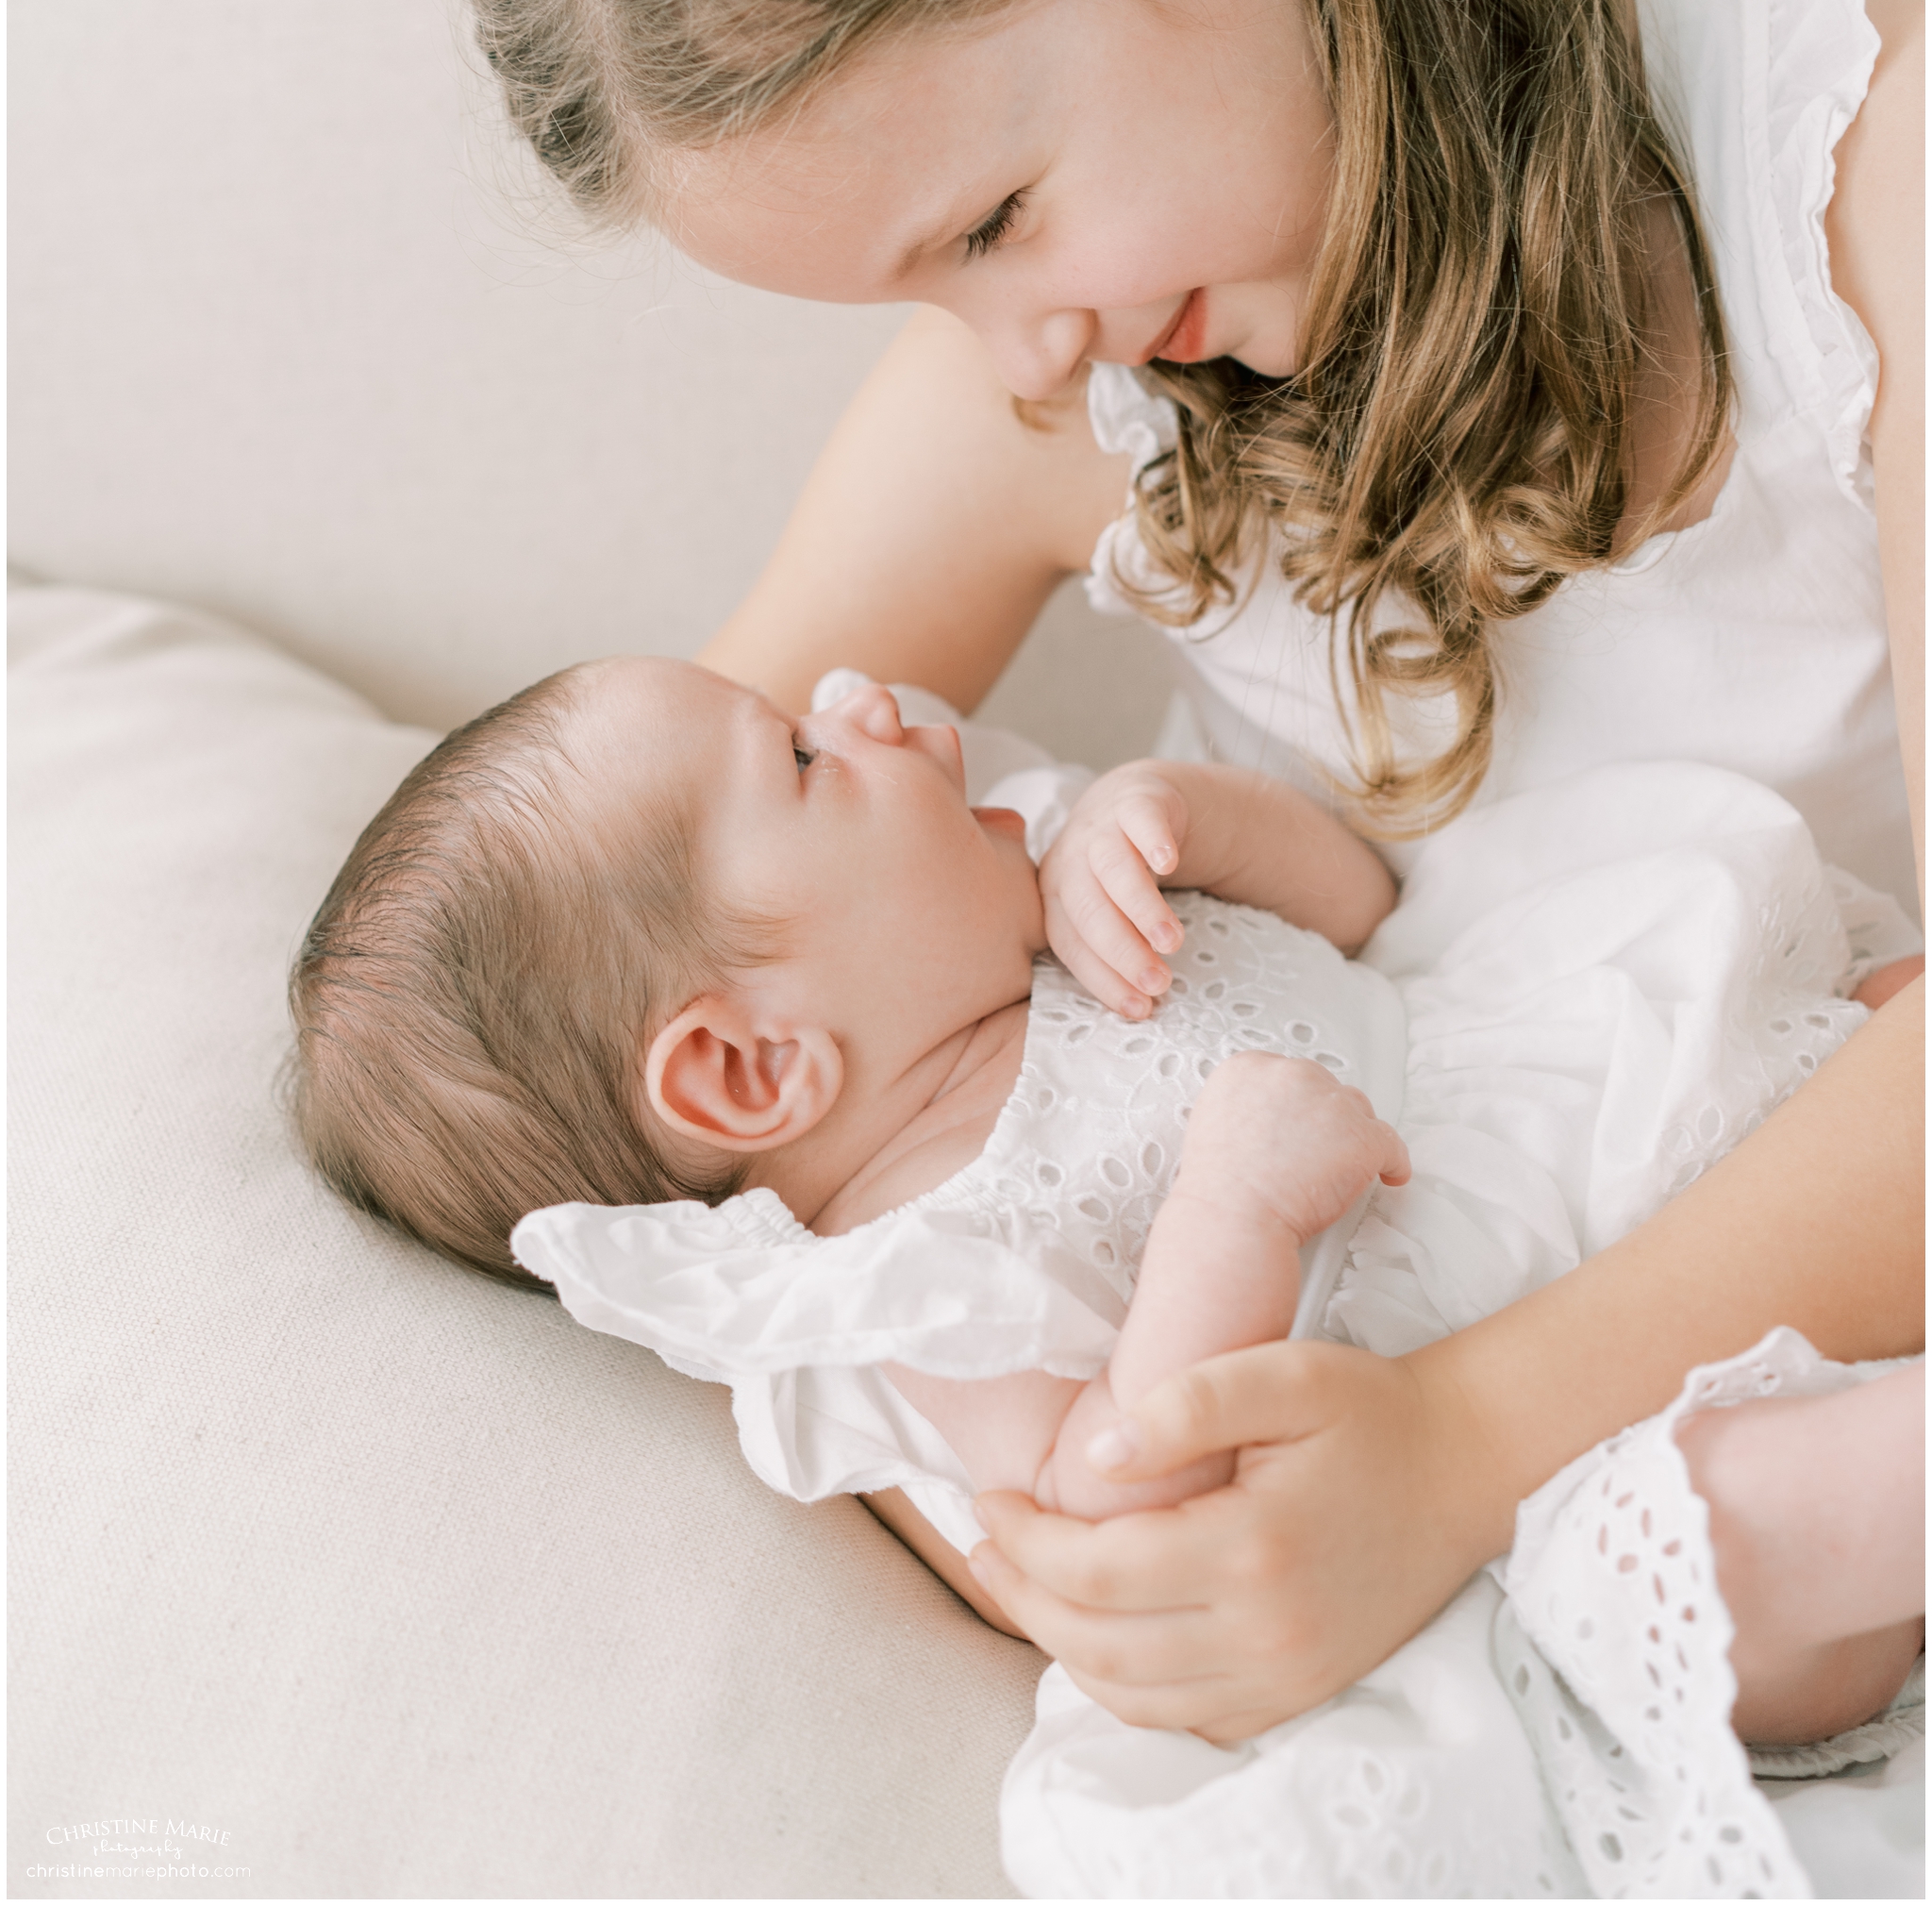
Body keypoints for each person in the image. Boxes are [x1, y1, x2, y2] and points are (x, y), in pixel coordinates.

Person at [440, 0, 1924, 1745]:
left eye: (998, 219)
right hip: (1468, 1405)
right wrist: (1048, 1491)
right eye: (919, 302)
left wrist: (1448, 1450)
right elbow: (608, 1027)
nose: (1016, 348)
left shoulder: (1872, 184)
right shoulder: (1068, 389)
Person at [286, 659, 1920, 1893]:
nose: (879, 710)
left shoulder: (1050, 908)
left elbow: (1366, 909)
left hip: (1638, 1166)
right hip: (1522, 1515)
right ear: (747, 1074)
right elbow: (1123, 1503)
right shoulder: (909, 1283)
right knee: (1728, 1531)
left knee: (1878, 1009)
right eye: (802, 756)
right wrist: (1232, 1214)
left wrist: (1191, 826)